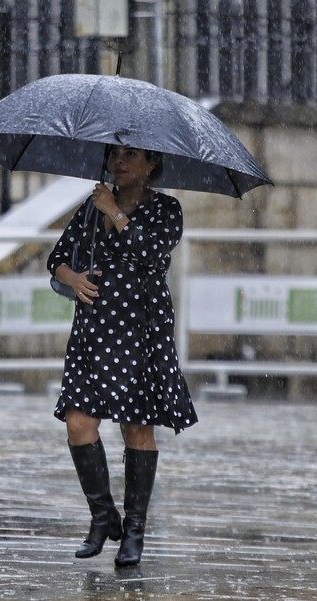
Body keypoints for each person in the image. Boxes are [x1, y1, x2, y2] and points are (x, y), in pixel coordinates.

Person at [47, 145, 198, 567]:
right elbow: (57, 258)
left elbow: (150, 254)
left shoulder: (166, 210)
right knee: (78, 422)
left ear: (151, 164)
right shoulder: (92, 206)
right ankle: (102, 517)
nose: (120, 161)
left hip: (141, 330)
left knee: (137, 428)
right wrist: (73, 278)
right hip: (92, 331)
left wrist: (114, 212)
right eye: (115, 153)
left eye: (131, 154)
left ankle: (134, 532)